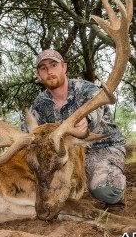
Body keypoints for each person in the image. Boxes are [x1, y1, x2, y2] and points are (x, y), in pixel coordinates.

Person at [28, 49, 126, 207]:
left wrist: (87, 120)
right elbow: (30, 134)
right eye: (43, 68)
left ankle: (115, 186)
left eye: (54, 65)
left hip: (101, 148)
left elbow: (96, 108)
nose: (49, 71)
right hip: (68, 156)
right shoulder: (39, 104)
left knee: (106, 192)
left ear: (64, 67)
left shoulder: (86, 89)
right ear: (39, 74)